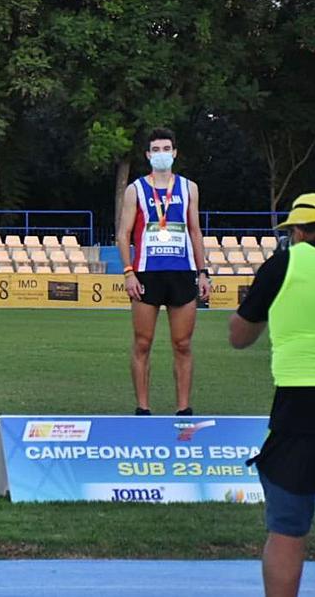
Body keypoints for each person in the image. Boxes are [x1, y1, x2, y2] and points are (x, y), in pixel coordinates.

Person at [228, 193, 315, 597]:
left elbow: (239, 336)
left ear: (297, 232)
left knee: (286, 529)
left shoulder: (283, 264)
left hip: (298, 409)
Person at [116, 127, 211, 415]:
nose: (161, 154)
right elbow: (123, 235)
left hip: (182, 273)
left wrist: (203, 271)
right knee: (143, 343)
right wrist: (129, 272)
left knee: (182, 343)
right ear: (148, 155)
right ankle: (143, 408)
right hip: (147, 274)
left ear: (175, 152)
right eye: (155, 150)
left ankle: (183, 409)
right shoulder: (135, 190)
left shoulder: (188, 188)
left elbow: (195, 231)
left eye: (165, 149)